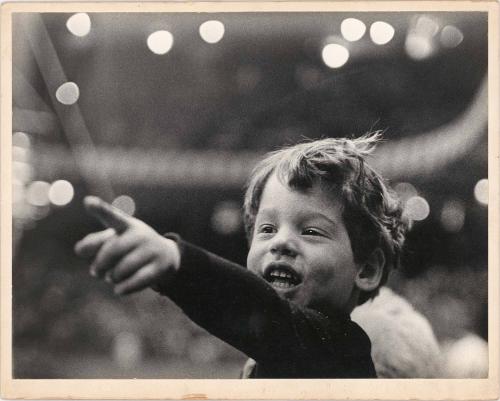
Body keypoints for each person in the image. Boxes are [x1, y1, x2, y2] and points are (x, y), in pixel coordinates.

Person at [75, 133, 407, 378]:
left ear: (367, 269)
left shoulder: (342, 350)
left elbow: (260, 310)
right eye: (267, 229)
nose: (281, 243)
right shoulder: (263, 357)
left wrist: (178, 262)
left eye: (310, 231)